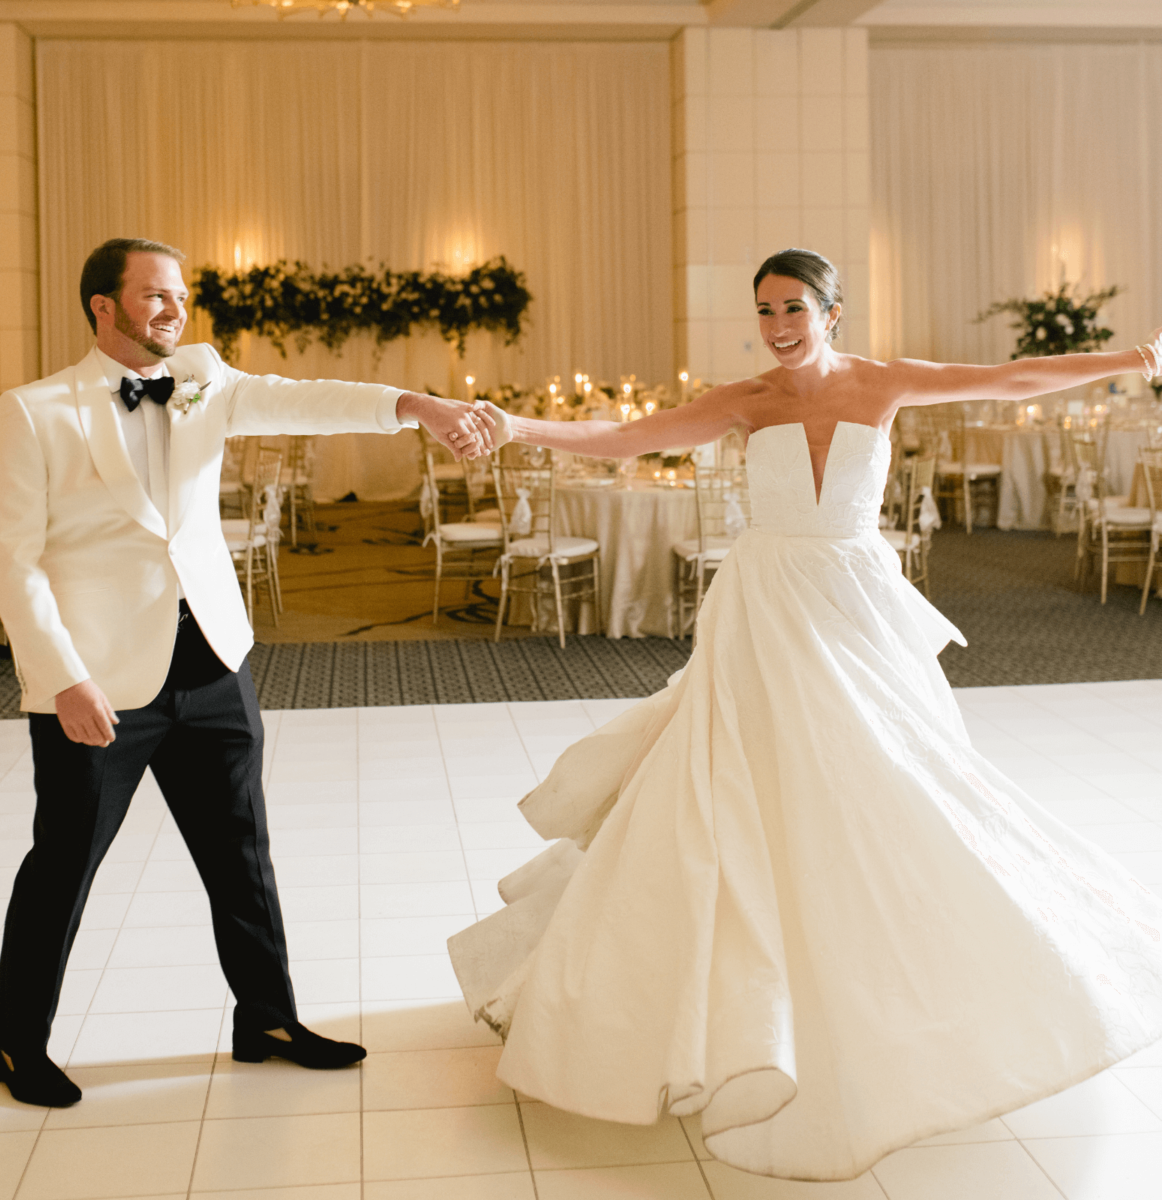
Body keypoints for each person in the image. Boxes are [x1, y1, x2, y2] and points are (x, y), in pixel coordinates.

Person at [449, 248, 1162, 1180]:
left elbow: (1011, 375)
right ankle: (740, 998)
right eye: (764, 310)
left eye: (794, 307)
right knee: (752, 782)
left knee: (897, 780)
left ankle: (905, 988)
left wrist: (1134, 363)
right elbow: (630, 437)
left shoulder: (886, 382)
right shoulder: (747, 400)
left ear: (833, 311)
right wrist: (518, 426)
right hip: (769, 606)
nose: (778, 324)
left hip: (857, 602)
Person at [0, 237, 496, 1109]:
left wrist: (419, 405)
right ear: (102, 306)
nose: (172, 310)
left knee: (241, 854)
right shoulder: (36, 411)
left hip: (213, 665)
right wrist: (62, 676)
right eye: (152, 295)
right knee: (64, 863)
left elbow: (315, 401)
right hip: (98, 682)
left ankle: (266, 1018)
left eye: (179, 296)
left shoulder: (203, 378)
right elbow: (14, 562)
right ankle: (13, 1044)